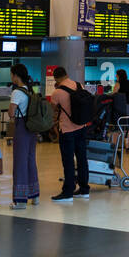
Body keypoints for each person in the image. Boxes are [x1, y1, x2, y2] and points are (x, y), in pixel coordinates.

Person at [50, 66, 89, 203]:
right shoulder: (79, 85)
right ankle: (84, 189)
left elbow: (54, 109)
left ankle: (68, 191)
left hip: (67, 130)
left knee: (68, 161)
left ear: (56, 78)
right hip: (82, 127)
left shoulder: (57, 92)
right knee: (82, 158)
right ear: (67, 74)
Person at [9, 64, 40, 209]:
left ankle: (20, 200)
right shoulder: (30, 90)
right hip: (32, 128)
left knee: (20, 162)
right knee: (30, 160)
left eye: (11, 74)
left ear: (16, 75)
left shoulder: (16, 92)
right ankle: (35, 196)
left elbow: (11, 112)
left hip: (21, 127)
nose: (11, 77)